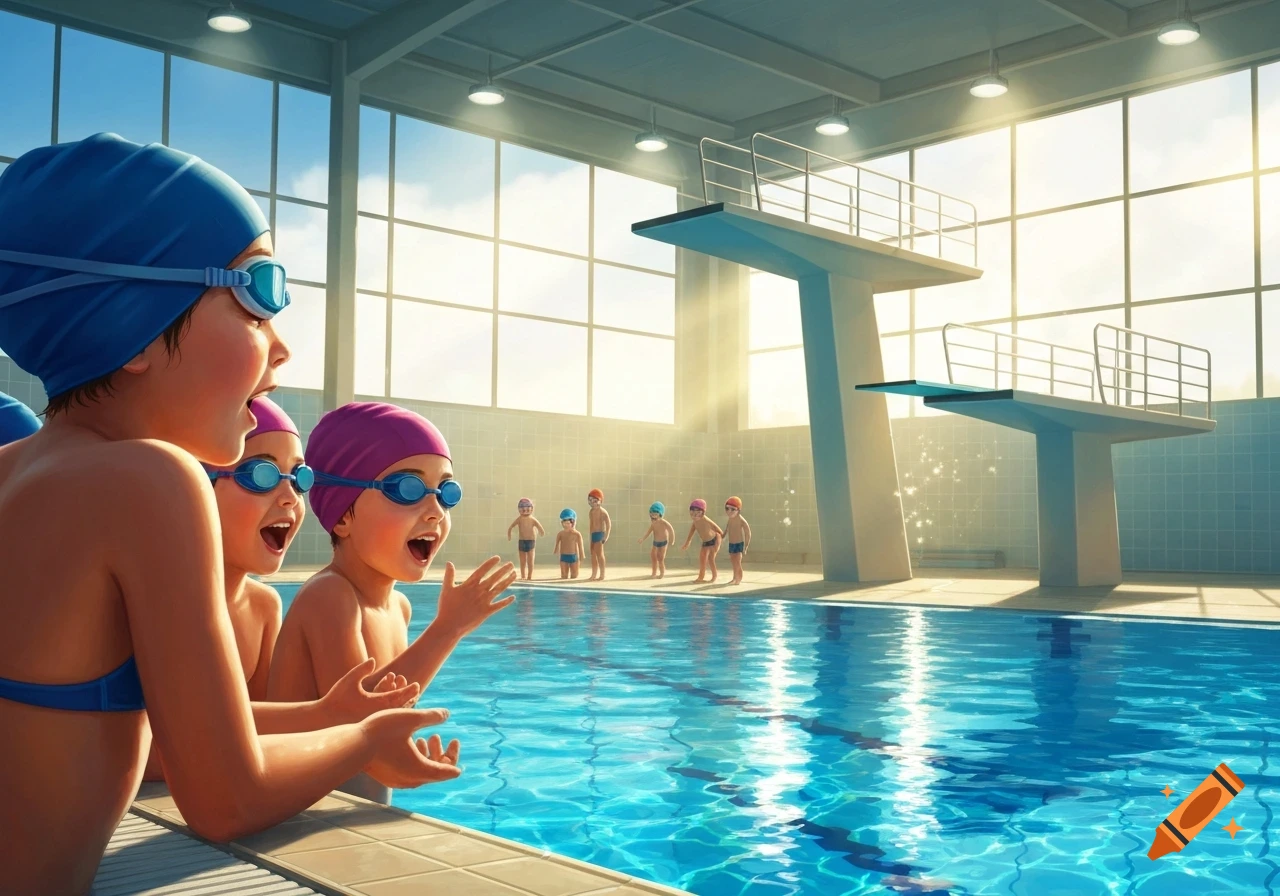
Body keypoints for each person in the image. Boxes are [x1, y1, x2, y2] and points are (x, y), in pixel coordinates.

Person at [0, 134, 458, 895]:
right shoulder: (150, 479)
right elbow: (224, 796)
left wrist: (321, 712)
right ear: (134, 321)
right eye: (257, 297)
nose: (279, 350)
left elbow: (174, 731)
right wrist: (363, 739)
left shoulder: (16, 471)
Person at [142, 397, 420, 782]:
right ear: (193, 487)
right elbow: (156, 742)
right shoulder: (155, 604)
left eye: (300, 478)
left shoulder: (263, 606)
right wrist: (328, 715)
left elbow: (255, 740)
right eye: (262, 476)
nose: (291, 497)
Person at [267, 401, 518, 804]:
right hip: (296, 813)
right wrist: (448, 628)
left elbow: (386, 721)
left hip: (347, 811)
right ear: (342, 516)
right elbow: (358, 726)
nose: (436, 510)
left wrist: (406, 751)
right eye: (408, 489)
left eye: (446, 492)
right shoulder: (329, 596)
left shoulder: (398, 607)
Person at [680, 498, 724, 583]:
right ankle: (701, 577)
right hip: (706, 542)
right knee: (702, 559)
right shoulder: (695, 521)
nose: (695, 515)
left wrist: (721, 538)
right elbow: (692, 531)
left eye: (698, 513)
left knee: (711, 559)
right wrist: (687, 542)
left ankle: (714, 576)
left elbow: (717, 529)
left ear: (703, 513)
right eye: (693, 513)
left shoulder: (705, 520)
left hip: (715, 539)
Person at [506, 497, 545, 581]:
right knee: (522, 560)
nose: (524, 510)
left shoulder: (532, 519)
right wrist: (509, 534)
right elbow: (511, 527)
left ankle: (529, 576)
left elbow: (539, 527)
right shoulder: (519, 519)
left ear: (531, 509)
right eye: (522, 508)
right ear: (519, 509)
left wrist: (541, 532)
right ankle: (523, 575)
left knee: (530, 560)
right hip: (522, 541)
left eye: (526, 508)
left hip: (531, 541)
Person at [637, 502, 675, 579]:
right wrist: (643, 539)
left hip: (663, 543)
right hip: (655, 543)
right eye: (652, 514)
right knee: (653, 557)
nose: (653, 515)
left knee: (660, 558)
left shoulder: (663, 522)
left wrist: (672, 540)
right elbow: (648, 532)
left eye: (655, 514)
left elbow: (671, 530)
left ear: (660, 514)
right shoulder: (653, 524)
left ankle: (662, 572)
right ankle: (654, 572)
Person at [722, 496, 752, 586]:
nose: (729, 512)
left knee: (738, 562)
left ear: (738, 510)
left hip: (739, 544)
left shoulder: (741, 520)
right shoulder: (730, 519)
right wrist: (722, 536)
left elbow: (748, 533)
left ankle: (739, 579)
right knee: (733, 561)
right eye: (727, 509)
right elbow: (727, 528)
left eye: (732, 509)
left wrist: (746, 546)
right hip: (732, 543)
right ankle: (734, 578)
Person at [586, 488, 611, 581]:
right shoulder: (591, 512)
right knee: (593, 555)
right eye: (590, 501)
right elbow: (591, 524)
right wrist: (590, 536)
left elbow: (608, 525)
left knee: (600, 555)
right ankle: (594, 574)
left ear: (600, 501)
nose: (593, 503)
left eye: (595, 501)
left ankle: (602, 574)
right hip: (593, 535)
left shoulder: (603, 512)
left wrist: (606, 536)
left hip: (600, 534)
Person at [554, 508, 584, 579]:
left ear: (572, 523)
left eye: (568, 523)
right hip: (564, 556)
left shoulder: (576, 534)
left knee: (574, 575)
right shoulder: (560, 534)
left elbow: (580, 545)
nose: (566, 525)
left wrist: (582, 555)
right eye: (564, 523)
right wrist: (556, 550)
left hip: (574, 556)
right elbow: (557, 543)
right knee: (564, 575)